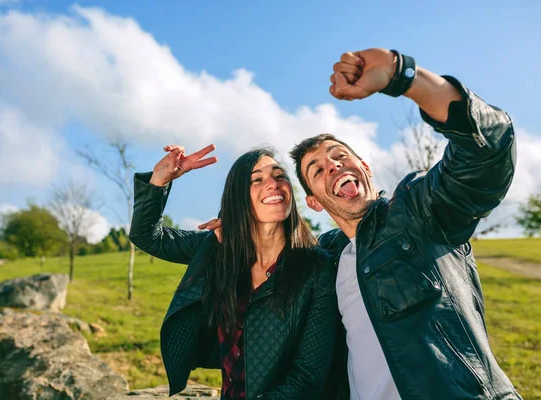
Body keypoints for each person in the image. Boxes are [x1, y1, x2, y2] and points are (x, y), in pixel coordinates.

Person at [287, 48, 522, 399]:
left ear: (364, 167)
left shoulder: (415, 211)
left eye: (340, 156)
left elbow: (488, 150)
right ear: (313, 201)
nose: (334, 166)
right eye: (317, 169)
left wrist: (402, 75)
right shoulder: (326, 259)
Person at [128, 144, 341, 399]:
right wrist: (158, 182)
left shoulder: (317, 268)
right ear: (238, 197)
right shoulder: (219, 248)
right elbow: (148, 237)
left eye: (279, 175)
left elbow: (307, 377)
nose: (273, 183)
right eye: (257, 179)